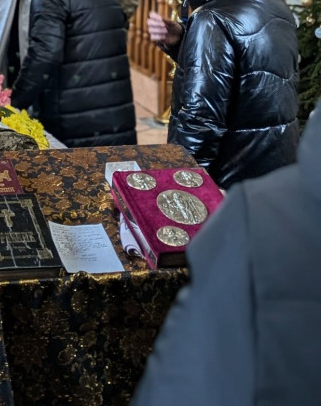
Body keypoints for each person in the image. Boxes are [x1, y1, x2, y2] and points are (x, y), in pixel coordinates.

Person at [131, 99, 321, 406]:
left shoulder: (261, 218)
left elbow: (191, 379)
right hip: (268, 158)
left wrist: (185, 180)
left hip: (233, 171)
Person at [147, 0, 299, 188]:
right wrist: (183, 42)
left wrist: (178, 186)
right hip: (274, 175)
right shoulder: (272, 3)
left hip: (231, 182)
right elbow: (248, 80)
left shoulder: (211, 19)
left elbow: (199, 121)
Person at [12, 0, 136, 146]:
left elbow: (45, 53)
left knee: (73, 177)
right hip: (114, 109)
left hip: (73, 113)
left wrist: (15, 102)